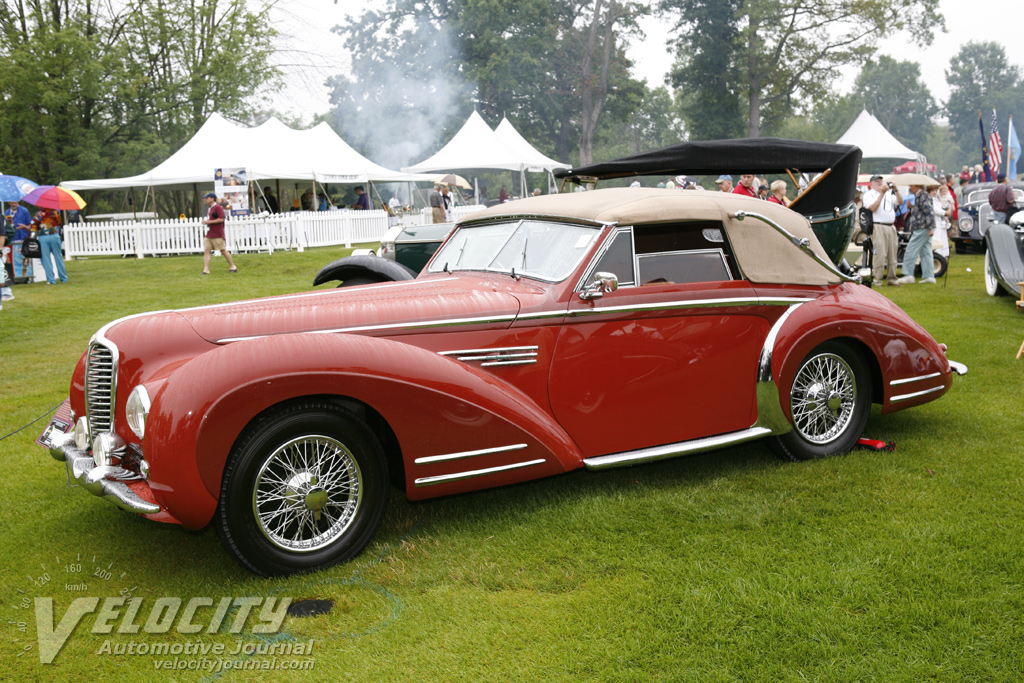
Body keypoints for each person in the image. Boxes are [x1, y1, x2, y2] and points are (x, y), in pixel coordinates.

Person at [863, 174, 903, 287]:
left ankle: (892, 278)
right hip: (878, 226)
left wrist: (896, 190)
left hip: (890, 226)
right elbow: (872, 208)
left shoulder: (889, 193)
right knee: (880, 253)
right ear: (871, 184)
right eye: (877, 181)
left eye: (881, 181)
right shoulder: (868, 195)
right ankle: (877, 279)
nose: (880, 183)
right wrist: (881, 194)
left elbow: (900, 202)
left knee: (892, 253)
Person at [897, 184, 936, 284]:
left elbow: (929, 212)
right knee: (926, 251)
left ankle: (908, 274)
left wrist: (931, 227)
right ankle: (929, 276)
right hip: (925, 227)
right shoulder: (922, 196)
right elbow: (922, 211)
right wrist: (912, 207)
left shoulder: (923, 195)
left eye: (911, 186)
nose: (910, 188)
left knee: (911, 249)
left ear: (917, 186)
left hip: (922, 227)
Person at [201, 192, 237, 275]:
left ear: (212, 198)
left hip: (217, 233)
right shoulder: (210, 208)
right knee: (207, 250)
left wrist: (208, 222)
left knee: (223, 250)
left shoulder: (218, 207)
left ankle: (233, 266)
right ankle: (206, 269)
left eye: (207, 198)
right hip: (209, 233)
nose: (206, 199)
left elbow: (221, 219)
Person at [30, 207, 67, 284]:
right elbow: (59, 222)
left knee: (45, 259)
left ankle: (51, 279)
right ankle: (63, 278)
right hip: (54, 235)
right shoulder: (55, 212)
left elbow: (33, 227)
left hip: (43, 237)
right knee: (58, 257)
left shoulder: (38, 214)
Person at [935, 182, 954, 258]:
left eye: (944, 192)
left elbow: (952, 203)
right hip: (942, 214)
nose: (943, 193)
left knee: (945, 234)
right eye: (942, 192)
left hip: (946, 210)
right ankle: (940, 252)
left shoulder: (948, 197)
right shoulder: (938, 198)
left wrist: (950, 208)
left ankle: (945, 252)